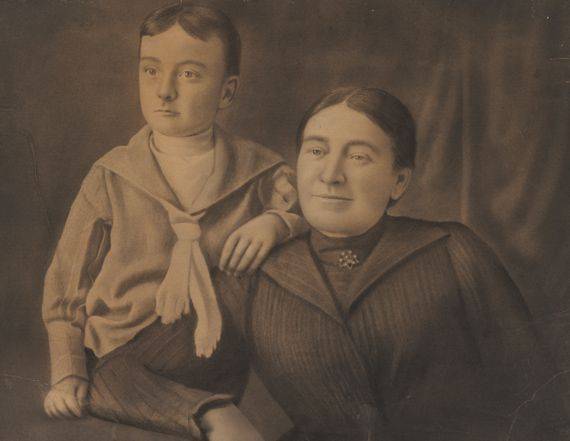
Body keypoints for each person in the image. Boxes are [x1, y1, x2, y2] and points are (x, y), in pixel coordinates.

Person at [215, 86, 568, 440]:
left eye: (359, 157)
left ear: (398, 182)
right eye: (317, 151)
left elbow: (540, 399)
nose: (331, 174)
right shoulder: (252, 273)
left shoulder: (452, 251)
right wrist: (212, 413)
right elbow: (182, 382)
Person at [42, 3, 306, 440]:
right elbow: (66, 288)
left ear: (226, 92)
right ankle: (213, 414)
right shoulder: (112, 174)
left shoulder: (259, 169)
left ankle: (303, 408)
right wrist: (68, 372)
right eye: (151, 71)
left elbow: (314, 214)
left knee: (251, 275)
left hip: (215, 345)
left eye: (188, 74)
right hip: (126, 347)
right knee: (98, 380)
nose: (164, 91)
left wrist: (279, 223)